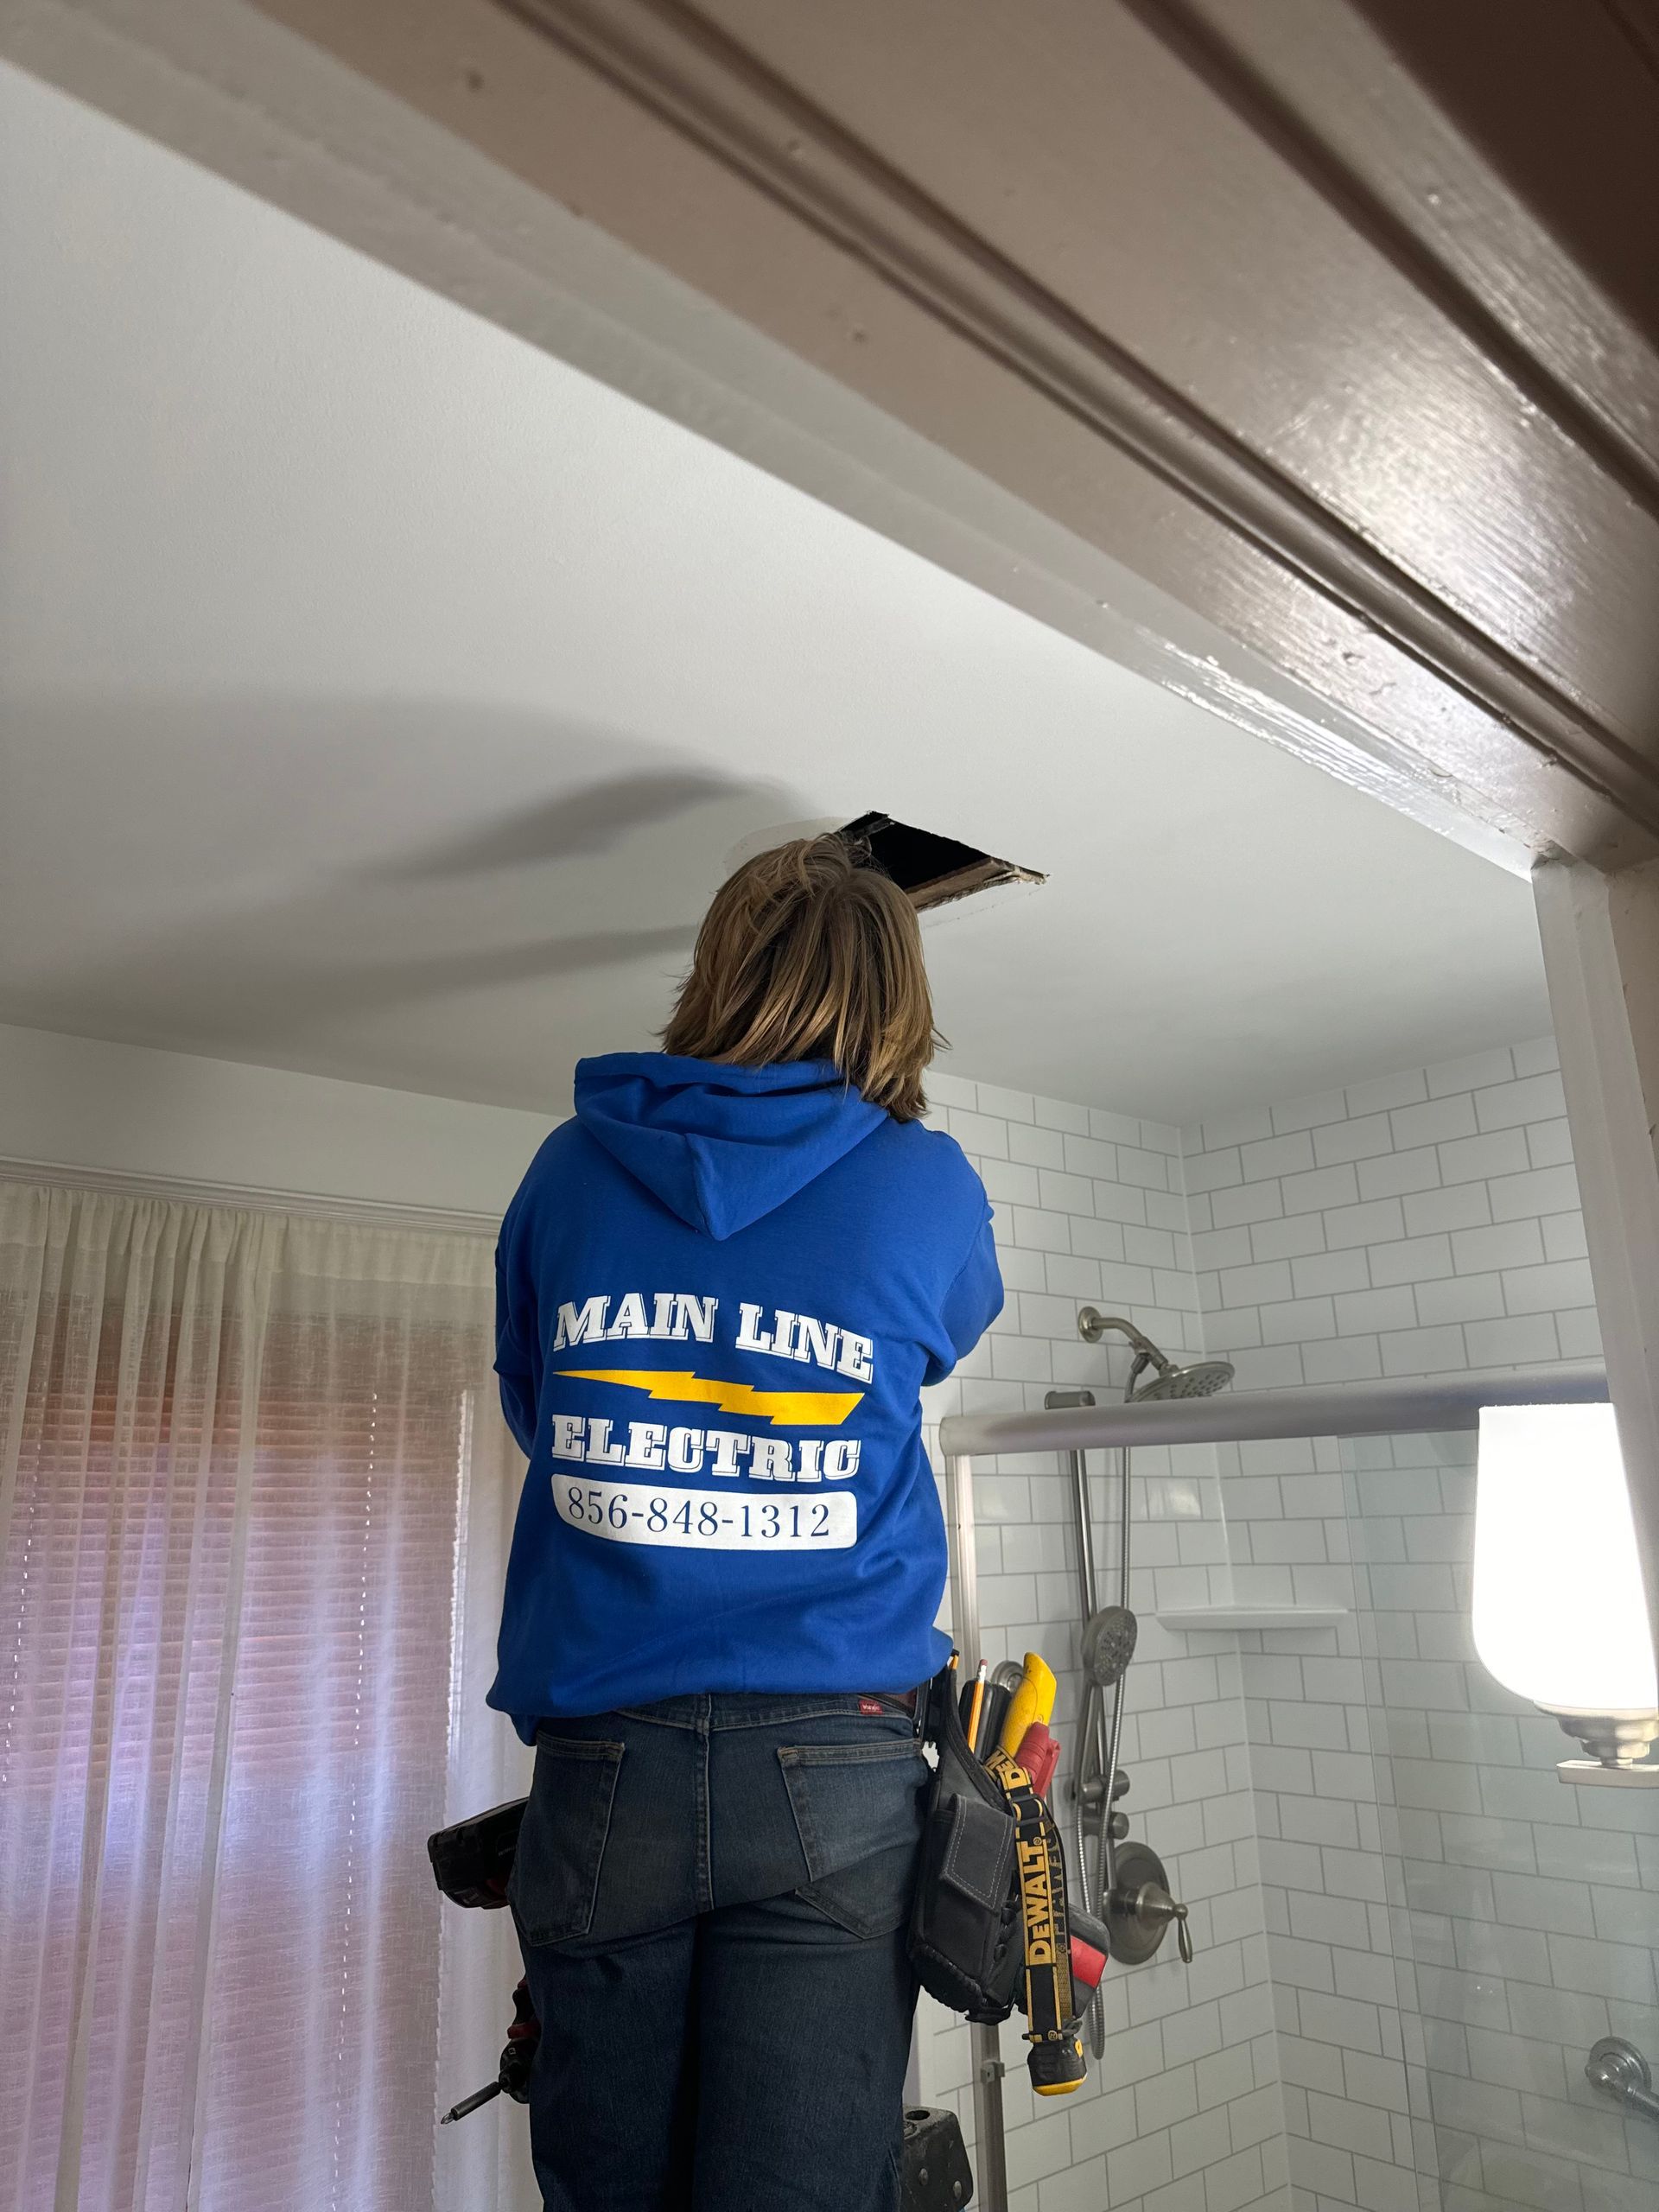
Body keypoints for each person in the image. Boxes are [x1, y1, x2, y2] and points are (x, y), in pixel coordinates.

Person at [489, 835, 1003, 2212]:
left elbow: (539, 1408)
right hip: (836, 1762)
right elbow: (938, 1349)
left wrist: (671, 1480)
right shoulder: (930, 1186)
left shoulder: (565, 1170)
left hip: (610, 1769)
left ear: (716, 968)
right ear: (898, 1002)